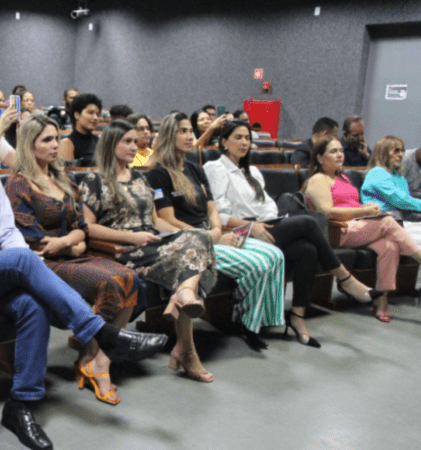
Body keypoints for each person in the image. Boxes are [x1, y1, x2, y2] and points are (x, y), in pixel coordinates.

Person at [0, 110, 168, 450]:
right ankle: (100, 332)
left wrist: (18, 259)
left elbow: (8, 233)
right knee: (20, 259)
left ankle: (20, 405)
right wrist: (12, 260)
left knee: (33, 304)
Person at [6, 114, 147, 403]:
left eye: (57, 138)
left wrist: (71, 241)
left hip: (73, 254)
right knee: (110, 281)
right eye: (47, 140)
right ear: (29, 145)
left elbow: (82, 227)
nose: (55, 145)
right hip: (43, 264)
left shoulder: (65, 179)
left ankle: (97, 358)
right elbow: (36, 240)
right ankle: (96, 360)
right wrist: (74, 244)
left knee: (129, 277)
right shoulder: (19, 184)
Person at [204, 121, 381, 347]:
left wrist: (265, 221)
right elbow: (218, 212)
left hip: (263, 226)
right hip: (235, 231)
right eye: (238, 137)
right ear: (223, 142)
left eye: (247, 138)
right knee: (307, 222)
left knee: (307, 250)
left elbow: (268, 206)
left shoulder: (253, 172)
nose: (244, 142)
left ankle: (297, 316)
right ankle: (346, 280)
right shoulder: (215, 168)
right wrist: (251, 225)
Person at [79, 119, 217, 382]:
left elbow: (156, 221)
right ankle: (186, 350)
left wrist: (182, 235)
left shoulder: (142, 178)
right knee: (188, 262)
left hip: (151, 244)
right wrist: (133, 237)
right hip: (121, 249)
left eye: (136, 141)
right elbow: (89, 227)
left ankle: (184, 297)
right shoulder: (94, 179)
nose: (135, 146)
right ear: (110, 144)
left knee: (197, 239)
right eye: (127, 141)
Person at [147, 112, 286, 350]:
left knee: (275, 255)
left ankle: (250, 318)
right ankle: (248, 323)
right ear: (169, 136)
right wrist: (212, 237)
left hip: (213, 234)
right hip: (190, 239)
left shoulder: (195, 169)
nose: (189, 136)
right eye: (182, 131)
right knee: (259, 264)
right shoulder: (158, 173)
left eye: (190, 131)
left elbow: (212, 208)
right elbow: (167, 218)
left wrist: (218, 230)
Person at [303, 136, 421, 322]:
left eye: (341, 151)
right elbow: (326, 212)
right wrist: (364, 210)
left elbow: (353, 204)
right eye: (333, 151)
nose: (340, 155)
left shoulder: (342, 177)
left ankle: (382, 300)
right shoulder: (318, 179)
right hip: (336, 231)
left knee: (390, 246)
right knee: (388, 222)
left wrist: (365, 211)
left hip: (357, 226)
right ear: (319, 158)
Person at [360, 136, 421, 244]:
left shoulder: (399, 178)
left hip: (400, 222)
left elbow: (406, 208)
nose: (401, 154)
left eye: (402, 150)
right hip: (378, 222)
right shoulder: (376, 173)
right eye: (396, 151)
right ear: (384, 153)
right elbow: (401, 200)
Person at [58, 93, 102, 166]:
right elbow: (68, 174)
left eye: (97, 114)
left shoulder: (101, 142)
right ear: (77, 115)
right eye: (90, 113)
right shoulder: (66, 143)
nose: (95, 118)